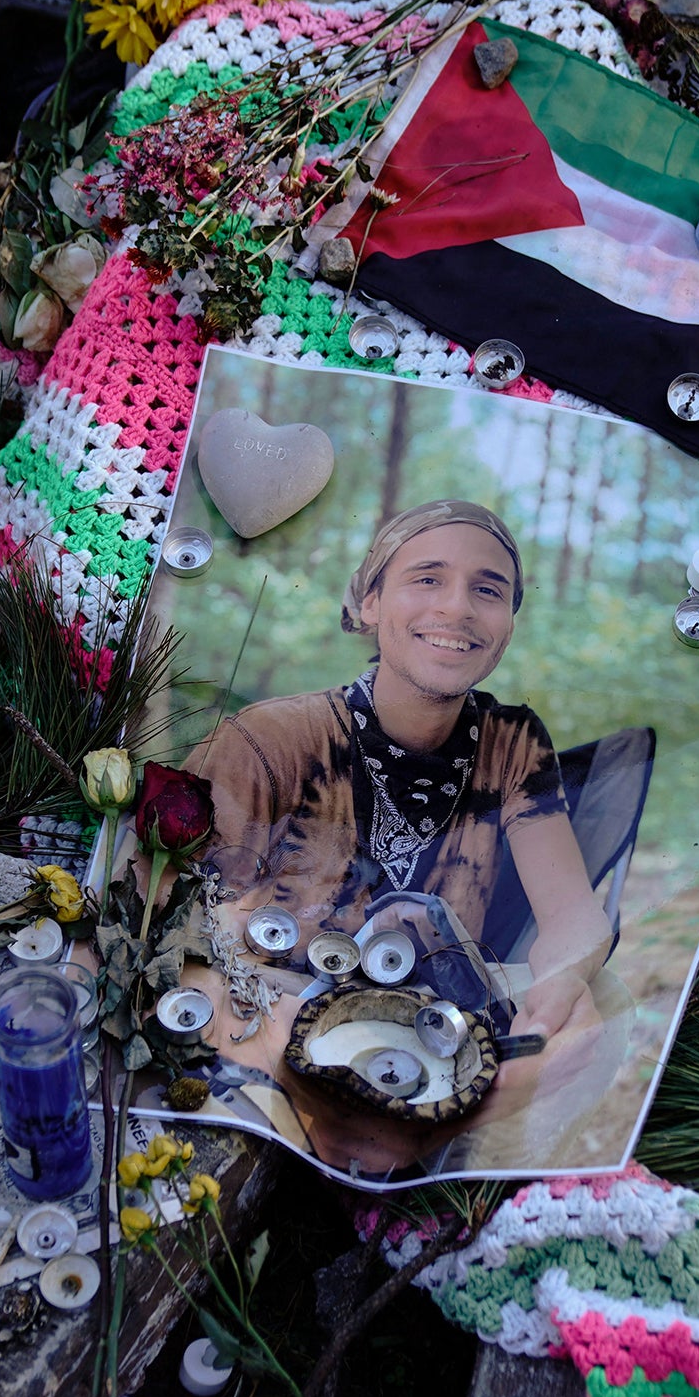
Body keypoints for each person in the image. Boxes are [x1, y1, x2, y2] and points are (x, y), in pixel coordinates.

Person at [179, 499, 617, 1172]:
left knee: (591, 1021)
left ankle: (426, 1153)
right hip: (272, 1031)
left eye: (488, 589)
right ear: (371, 601)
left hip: (433, 1039)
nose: (458, 608)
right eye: (427, 578)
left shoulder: (511, 742)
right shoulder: (270, 740)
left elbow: (572, 914)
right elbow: (174, 931)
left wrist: (561, 988)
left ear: (508, 622)